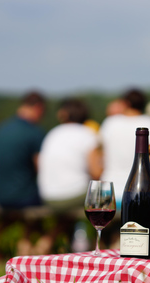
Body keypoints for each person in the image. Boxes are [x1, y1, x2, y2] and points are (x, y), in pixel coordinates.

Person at [38, 98, 102, 252]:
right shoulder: (88, 135)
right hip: (72, 196)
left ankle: (43, 246)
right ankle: (101, 249)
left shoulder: (53, 133)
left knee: (64, 220)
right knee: (102, 203)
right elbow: (96, 172)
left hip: (47, 195)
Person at [0, 90, 47, 255]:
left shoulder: (0, 129)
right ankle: (29, 246)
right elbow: (40, 167)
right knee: (39, 208)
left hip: (0, 195)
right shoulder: (34, 132)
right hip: (24, 196)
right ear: (38, 108)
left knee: (19, 210)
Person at [99, 88, 150, 207]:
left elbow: (99, 155)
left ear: (125, 103)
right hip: (139, 193)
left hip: (108, 191)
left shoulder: (110, 123)